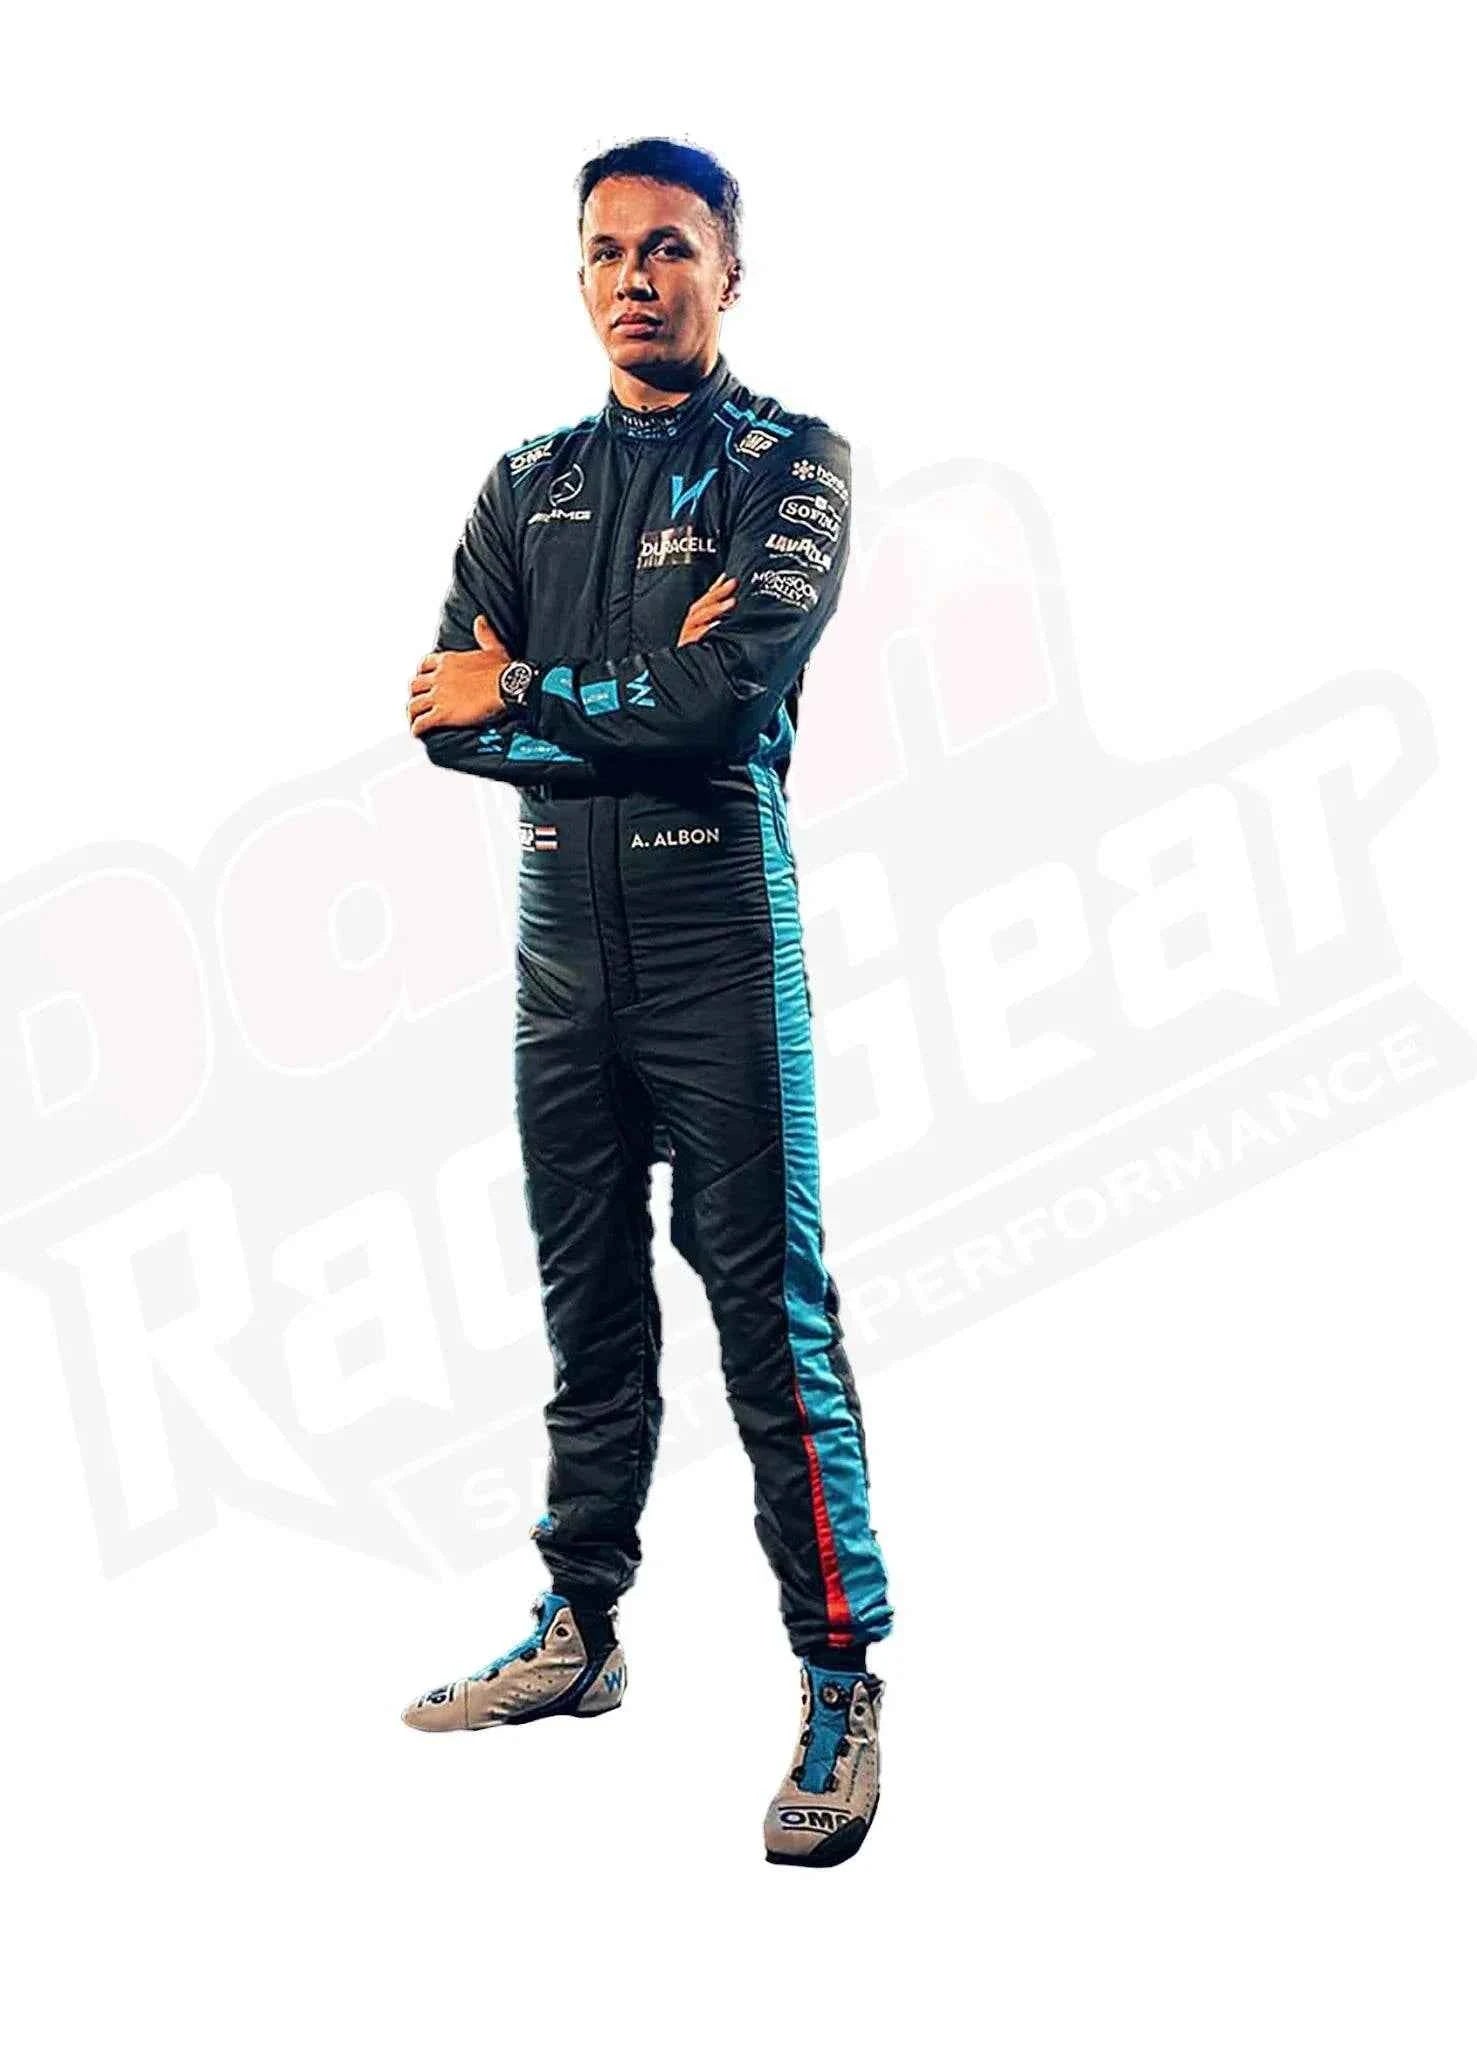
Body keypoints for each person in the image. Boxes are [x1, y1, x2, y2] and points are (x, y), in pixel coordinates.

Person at [400, 137, 892, 1868]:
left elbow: (723, 701)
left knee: (772, 1322)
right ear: (579, 275)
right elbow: (439, 719)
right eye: (609, 250)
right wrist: (630, 696)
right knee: (588, 1317)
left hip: (716, 952)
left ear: (728, 273)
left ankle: (838, 1681)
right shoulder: (524, 481)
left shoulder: (792, 463)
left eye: (672, 247)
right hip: (561, 967)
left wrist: (539, 691)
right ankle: (579, 1629)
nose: (638, 276)